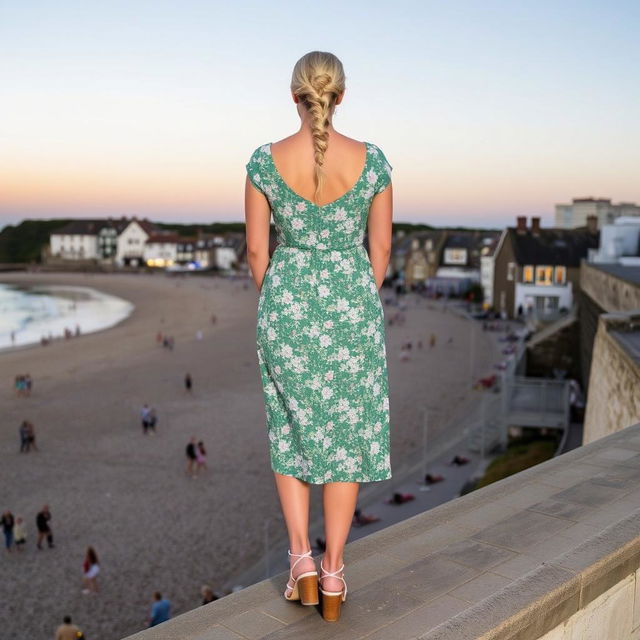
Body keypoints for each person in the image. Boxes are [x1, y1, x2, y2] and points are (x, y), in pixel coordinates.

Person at [245, 51, 393, 623]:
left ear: (295, 97)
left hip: (285, 306)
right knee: (345, 437)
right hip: (353, 309)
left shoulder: (264, 160)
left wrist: (280, 297)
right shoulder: (373, 161)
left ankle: (301, 562)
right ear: (340, 96)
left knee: (290, 430)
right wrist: (354, 296)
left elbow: (258, 251)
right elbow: (380, 250)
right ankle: (334, 573)